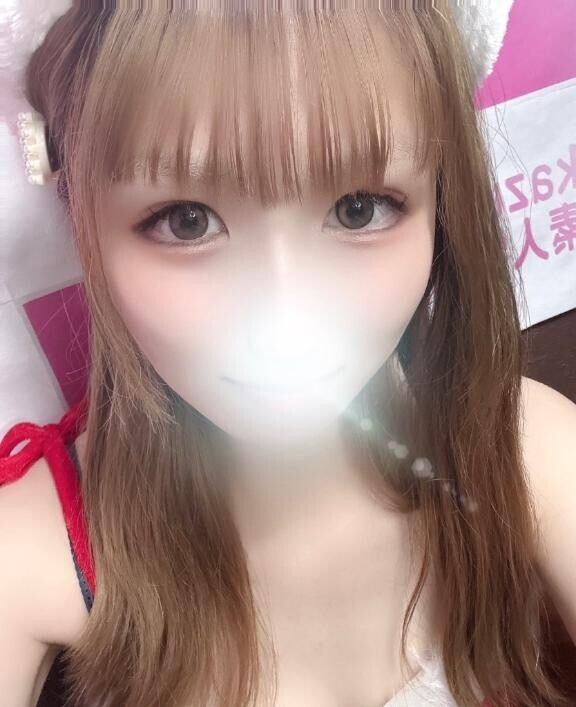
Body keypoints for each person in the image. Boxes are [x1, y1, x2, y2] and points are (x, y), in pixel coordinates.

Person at [1, 3, 575, 707]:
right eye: (187, 221)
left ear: (440, 203)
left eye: (360, 208)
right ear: (84, 218)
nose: (285, 308)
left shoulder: (527, 450)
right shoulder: (29, 549)